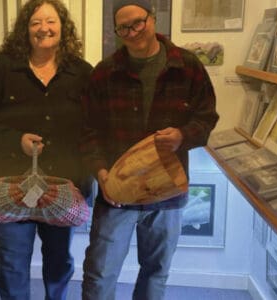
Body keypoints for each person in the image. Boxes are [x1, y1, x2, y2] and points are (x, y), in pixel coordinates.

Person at [80, 1, 219, 299]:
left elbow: (207, 118)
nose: (132, 32)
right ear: (117, 31)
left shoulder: (188, 66)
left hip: (167, 189)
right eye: (124, 28)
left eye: (138, 23)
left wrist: (183, 135)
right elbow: (88, 130)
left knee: (156, 270)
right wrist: (101, 173)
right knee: (100, 271)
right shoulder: (104, 73)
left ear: (152, 20)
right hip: (116, 190)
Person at [0, 0, 92, 299]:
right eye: (35, 23)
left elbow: (94, 127)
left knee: (59, 264)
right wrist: (16, 140)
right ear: (25, 29)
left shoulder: (82, 72)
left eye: (50, 21)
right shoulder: (1, 67)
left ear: (63, 27)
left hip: (64, 186)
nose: (43, 29)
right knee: (11, 264)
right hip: (9, 187)